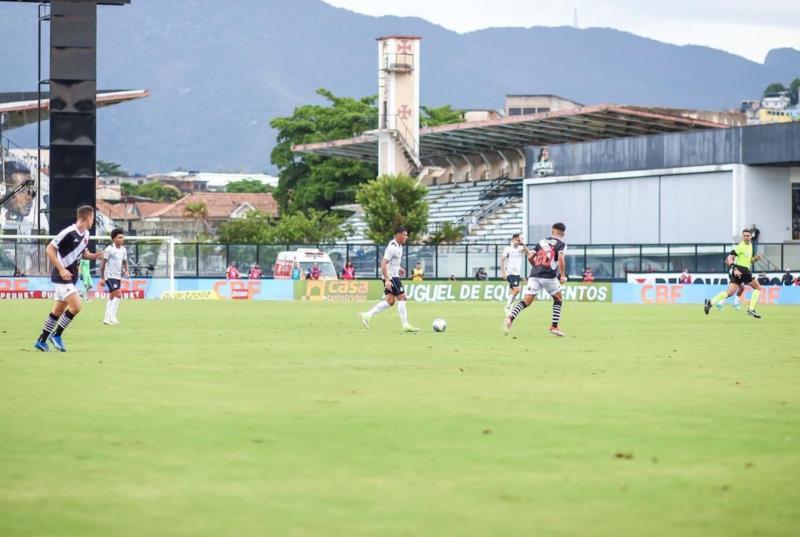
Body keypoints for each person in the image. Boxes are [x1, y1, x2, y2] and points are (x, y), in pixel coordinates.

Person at [33, 205, 102, 352]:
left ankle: (41, 340)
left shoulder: (87, 234)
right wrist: (61, 269)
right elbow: (49, 249)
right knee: (77, 306)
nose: (93, 221)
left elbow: (84, 253)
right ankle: (56, 335)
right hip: (62, 277)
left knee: (57, 312)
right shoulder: (68, 232)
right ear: (87, 218)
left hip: (72, 277)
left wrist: (97, 255)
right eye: (92, 218)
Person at [504, 222, 568, 337]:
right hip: (548, 275)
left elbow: (530, 256)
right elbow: (561, 257)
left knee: (526, 301)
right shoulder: (561, 244)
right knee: (558, 298)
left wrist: (536, 267)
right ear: (563, 233)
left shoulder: (542, 241)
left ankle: (511, 317)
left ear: (552, 231)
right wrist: (562, 275)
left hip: (534, 275)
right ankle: (554, 326)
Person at [359, 225, 418, 332]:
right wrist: (387, 280)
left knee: (390, 301)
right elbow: (383, 264)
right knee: (403, 298)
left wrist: (399, 268)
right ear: (398, 235)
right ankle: (405, 325)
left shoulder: (399, 246)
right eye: (405, 235)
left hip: (392, 275)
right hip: (391, 277)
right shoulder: (392, 247)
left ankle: (367, 315)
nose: (406, 237)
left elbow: (391, 262)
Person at [704, 228, 764, 319]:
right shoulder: (741, 246)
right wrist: (734, 268)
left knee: (729, 293)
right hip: (742, 270)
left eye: (748, 236)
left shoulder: (750, 245)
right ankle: (751, 309)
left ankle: (710, 302)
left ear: (751, 236)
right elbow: (729, 258)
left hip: (739, 271)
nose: (746, 237)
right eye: (744, 236)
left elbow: (748, 260)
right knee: (758, 287)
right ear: (742, 237)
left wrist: (756, 259)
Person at [99, 228, 128, 326]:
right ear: (114, 238)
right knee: (118, 294)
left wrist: (126, 270)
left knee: (112, 296)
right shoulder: (109, 249)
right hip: (109, 276)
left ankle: (107, 318)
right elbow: (103, 264)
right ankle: (113, 317)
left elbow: (125, 261)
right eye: (120, 237)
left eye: (122, 237)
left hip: (117, 276)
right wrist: (102, 278)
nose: (122, 239)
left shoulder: (123, 249)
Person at [501, 234, 527, 314]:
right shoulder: (508, 248)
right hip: (510, 272)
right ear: (512, 240)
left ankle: (509, 309)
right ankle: (507, 307)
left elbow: (527, 253)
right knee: (517, 289)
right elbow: (502, 260)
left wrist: (523, 243)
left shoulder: (520, 248)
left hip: (517, 273)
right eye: (516, 239)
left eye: (518, 240)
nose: (517, 241)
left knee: (513, 291)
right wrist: (503, 272)